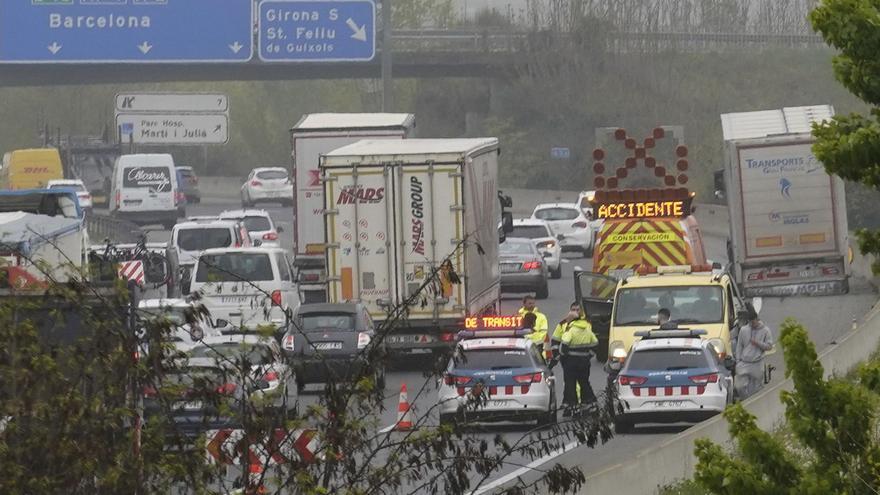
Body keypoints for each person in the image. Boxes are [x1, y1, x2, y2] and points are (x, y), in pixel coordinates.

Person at [560, 309, 599, 416]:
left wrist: (564, 357)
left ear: (572, 320)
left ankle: (574, 406)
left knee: (570, 384)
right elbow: (595, 343)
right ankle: (591, 403)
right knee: (584, 382)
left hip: (571, 363)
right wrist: (589, 354)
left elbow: (563, 347)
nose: (567, 321)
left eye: (568, 319)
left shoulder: (571, 331)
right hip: (584, 362)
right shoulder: (587, 329)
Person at [734, 304, 773, 400]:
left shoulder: (765, 331)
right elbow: (739, 346)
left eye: (753, 322)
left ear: (757, 319)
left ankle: (753, 405)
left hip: (757, 362)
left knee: (756, 390)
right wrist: (738, 360)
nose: (752, 324)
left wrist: (758, 343)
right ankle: (746, 400)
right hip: (744, 362)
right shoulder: (744, 330)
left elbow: (769, 346)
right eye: (750, 322)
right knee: (739, 386)